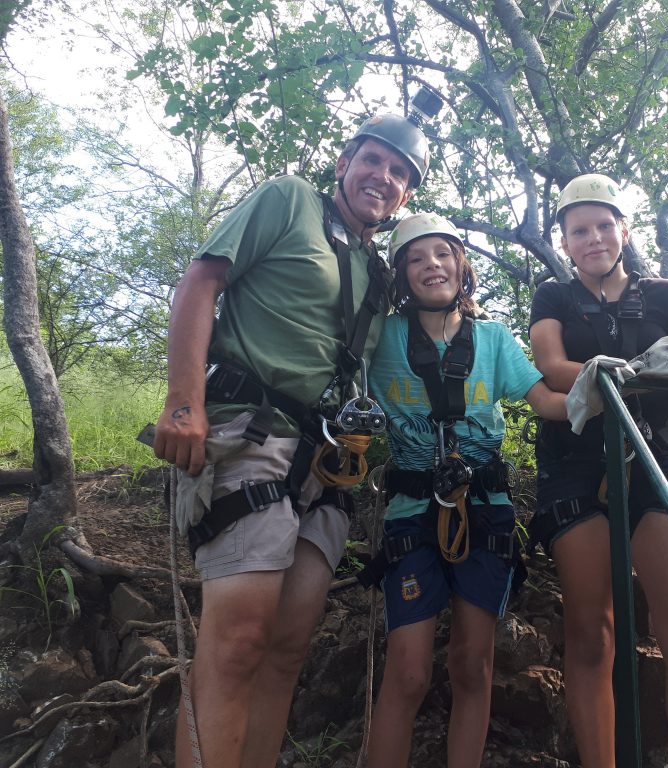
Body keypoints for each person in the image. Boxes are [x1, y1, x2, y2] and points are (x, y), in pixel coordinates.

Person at [152, 99, 436, 768]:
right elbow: (203, 280)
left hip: (328, 464)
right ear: (344, 163)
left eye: (400, 172)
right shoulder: (287, 200)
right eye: (373, 159)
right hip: (250, 430)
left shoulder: (376, 270)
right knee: (239, 640)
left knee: (286, 647)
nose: (383, 176)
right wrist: (183, 401)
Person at [528, 173, 668, 768]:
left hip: (657, 455)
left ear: (623, 230)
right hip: (578, 457)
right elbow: (550, 364)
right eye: (579, 230)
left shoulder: (664, 296)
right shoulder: (553, 296)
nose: (593, 239)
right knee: (591, 634)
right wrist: (603, 371)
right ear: (565, 242)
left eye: (603, 226)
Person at [362, 212, 567, 767]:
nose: (432, 265)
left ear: (461, 264)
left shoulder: (495, 340)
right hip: (411, 512)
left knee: (472, 664)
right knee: (408, 672)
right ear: (401, 274)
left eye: (443, 254)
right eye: (417, 258)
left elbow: (545, 400)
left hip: (485, 511)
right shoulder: (381, 338)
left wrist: (596, 389)